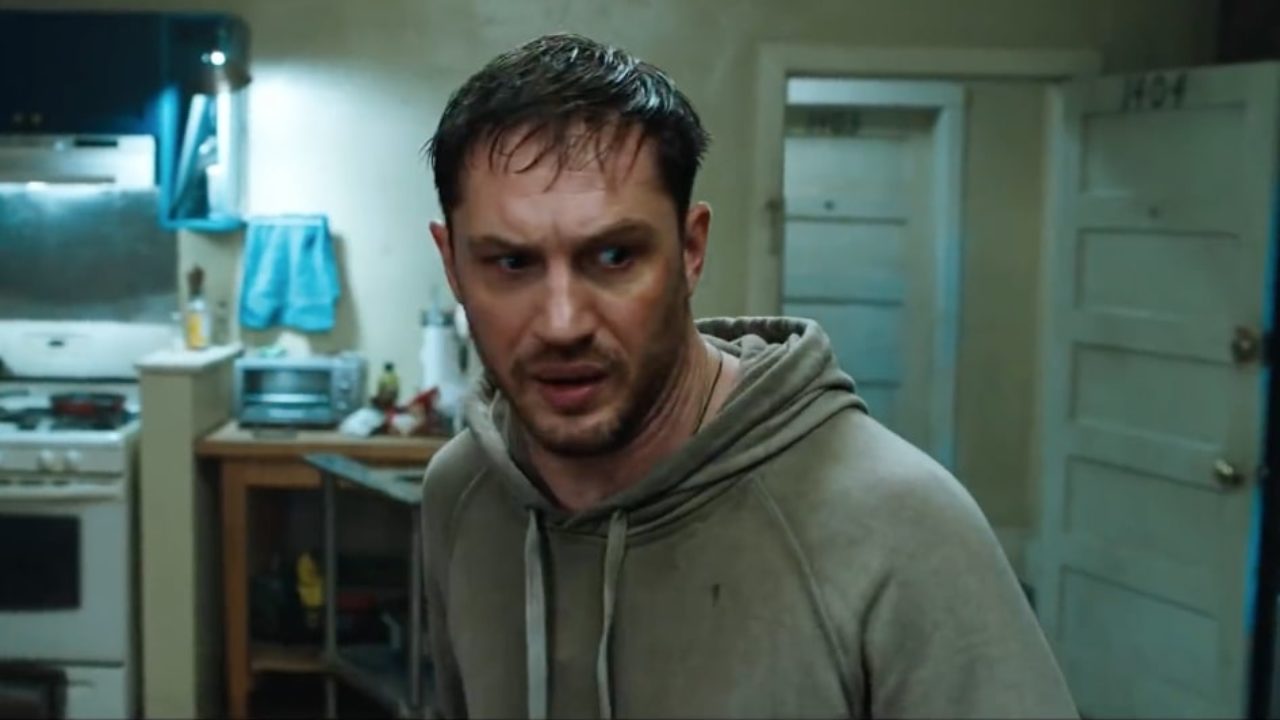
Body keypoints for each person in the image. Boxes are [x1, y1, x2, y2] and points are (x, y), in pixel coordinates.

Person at [420, 32, 1077, 719]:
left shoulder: (897, 522)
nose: (562, 324)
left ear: (690, 249)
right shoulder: (463, 493)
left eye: (614, 256)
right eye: (512, 263)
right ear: (452, 263)